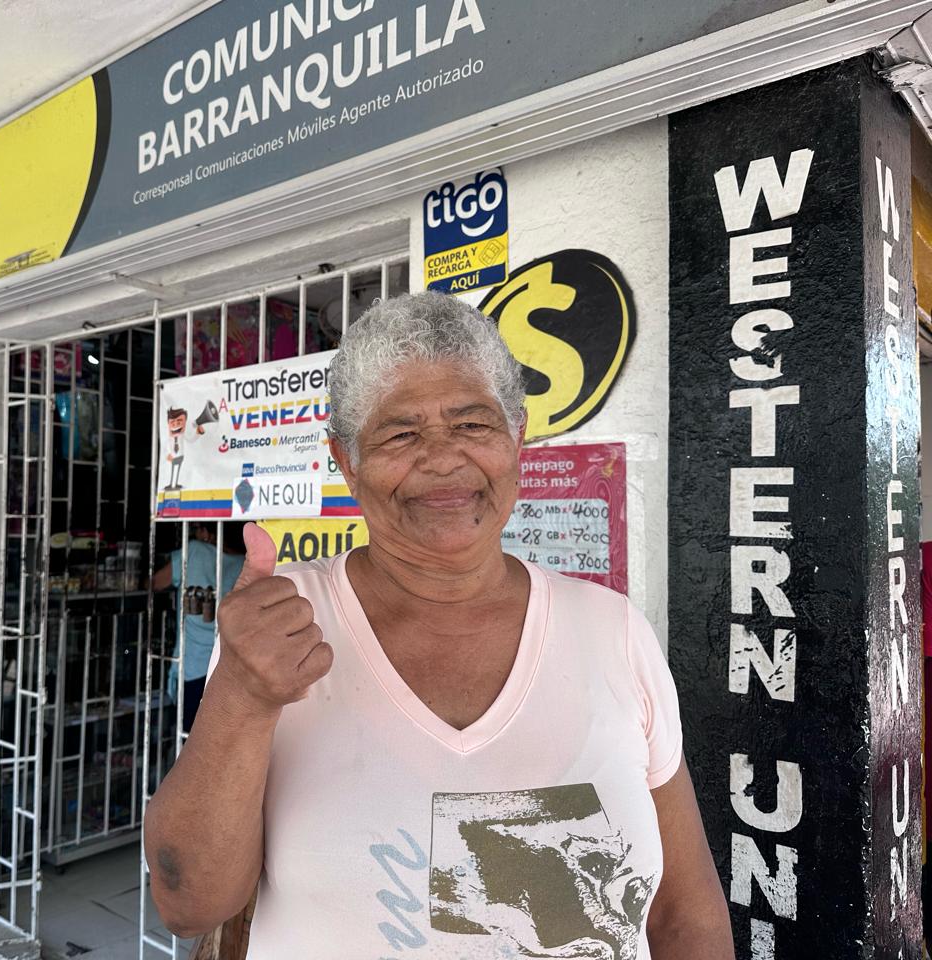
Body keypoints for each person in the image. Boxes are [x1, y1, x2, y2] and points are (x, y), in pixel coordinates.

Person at [144, 292, 732, 958]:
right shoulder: (282, 633)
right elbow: (189, 903)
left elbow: (687, 915)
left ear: (517, 437)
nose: (443, 458)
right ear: (347, 462)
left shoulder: (614, 631)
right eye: (400, 433)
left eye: (473, 424)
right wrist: (243, 698)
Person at [151, 523, 246, 732]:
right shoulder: (248, 563)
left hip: (193, 666)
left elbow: (155, 582)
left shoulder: (194, 551)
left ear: (206, 532)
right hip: (231, 665)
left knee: (189, 739)